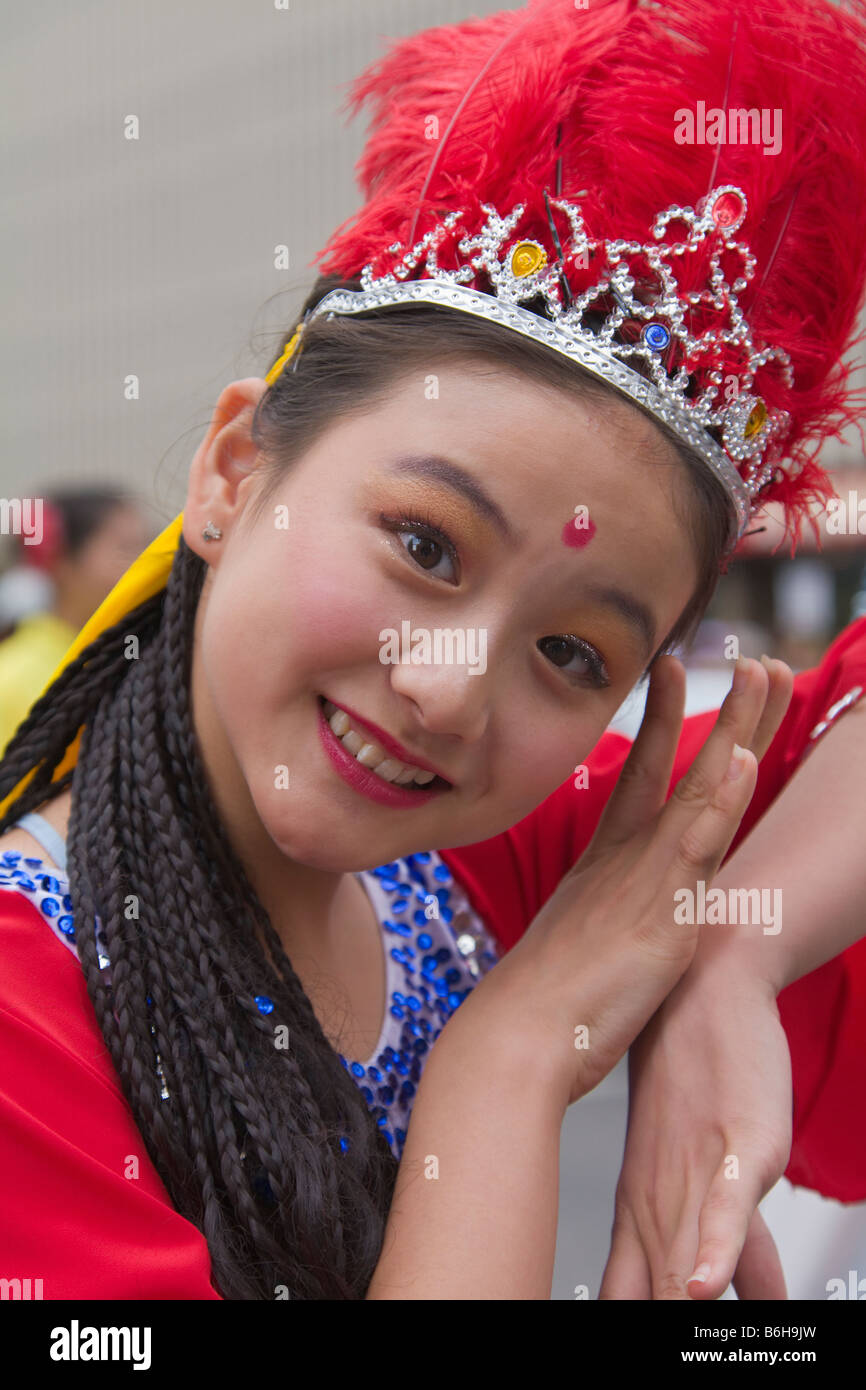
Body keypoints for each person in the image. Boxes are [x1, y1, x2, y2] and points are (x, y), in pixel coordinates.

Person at [0, 0, 865, 1301]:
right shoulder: (22, 1022)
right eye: (426, 543)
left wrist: (745, 946)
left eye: (573, 653)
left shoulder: (482, 860)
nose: (449, 686)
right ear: (235, 471)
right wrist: (506, 1063)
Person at [0, 488, 154, 754]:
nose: (144, 564)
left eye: (146, 545)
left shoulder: (137, 650)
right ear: (61, 561)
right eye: (125, 549)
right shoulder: (12, 680)